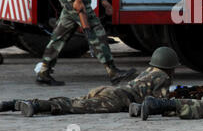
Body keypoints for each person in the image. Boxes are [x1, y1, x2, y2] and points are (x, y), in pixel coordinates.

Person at [0, 47, 179, 117]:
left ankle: (14, 104)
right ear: (170, 67)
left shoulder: (149, 71)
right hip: (118, 99)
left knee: (73, 101)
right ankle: (36, 106)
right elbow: (160, 104)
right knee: (74, 107)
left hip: (109, 90)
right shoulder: (163, 77)